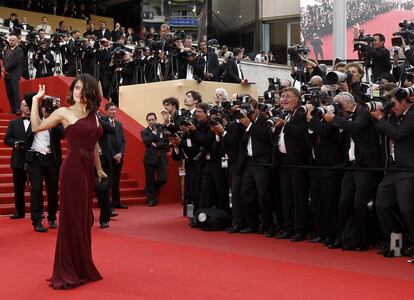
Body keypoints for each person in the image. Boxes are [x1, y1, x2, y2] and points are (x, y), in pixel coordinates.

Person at [30, 74, 107, 289]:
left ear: (89, 92)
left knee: (84, 219)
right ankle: (67, 269)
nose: (78, 92)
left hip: (86, 171)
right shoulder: (63, 112)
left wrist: (99, 169)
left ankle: (82, 266)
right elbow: (36, 127)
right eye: (76, 88)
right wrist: (36, 101)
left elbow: (94, 145)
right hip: (72, 169)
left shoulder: (94, 114)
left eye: (82, 89)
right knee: (72, 218)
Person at [4, 96, 33, 219]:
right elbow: (7, 139)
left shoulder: (37, 121)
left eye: (28, 105)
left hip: (33, 158)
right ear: (21, 107)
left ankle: (38, 211)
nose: (27, 107)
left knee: (36, 187)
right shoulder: (13, 123)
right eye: (25, 105)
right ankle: (19, 211)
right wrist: (16, 143)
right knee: (18, 187)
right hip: (18, 158)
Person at [140, 113, 169, 207]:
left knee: (163, 178)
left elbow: (166, 143)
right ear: (147, 121)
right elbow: (147, 142)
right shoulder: (144, 131)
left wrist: (156, 145)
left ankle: (150, 189)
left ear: (156, 120)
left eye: (153, 119)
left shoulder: (162, 129)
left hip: (161, 157)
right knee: (149, 179)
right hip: (149, 159)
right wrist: (153, 133)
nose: (151, 121)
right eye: (149, 120)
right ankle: (152, 199)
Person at [106, 103, 128, 209]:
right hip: (109, 157)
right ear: (106, 111)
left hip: (119, 156)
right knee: (109, 181)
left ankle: (117, 202)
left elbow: (123, 141)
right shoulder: (104, 123)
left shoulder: (119, 124)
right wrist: (114, 155)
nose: (114, 111)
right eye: (111, 109)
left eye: (115, 109)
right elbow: (106, 142)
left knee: (116, 181)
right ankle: (108, 204)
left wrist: (120, 154)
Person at [2, 33, 24, 115]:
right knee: (9, 93)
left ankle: (18, 108)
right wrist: (3, 67)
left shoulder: (19, 50)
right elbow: (4, 61)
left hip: (14, 74)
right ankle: (13, 109)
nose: (11, 42)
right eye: (10, 40)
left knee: (15, 92)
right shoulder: (7, 51)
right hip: (7, 75)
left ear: (17, 41)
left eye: (13, 40)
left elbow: (16, 62)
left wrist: (5, 68)